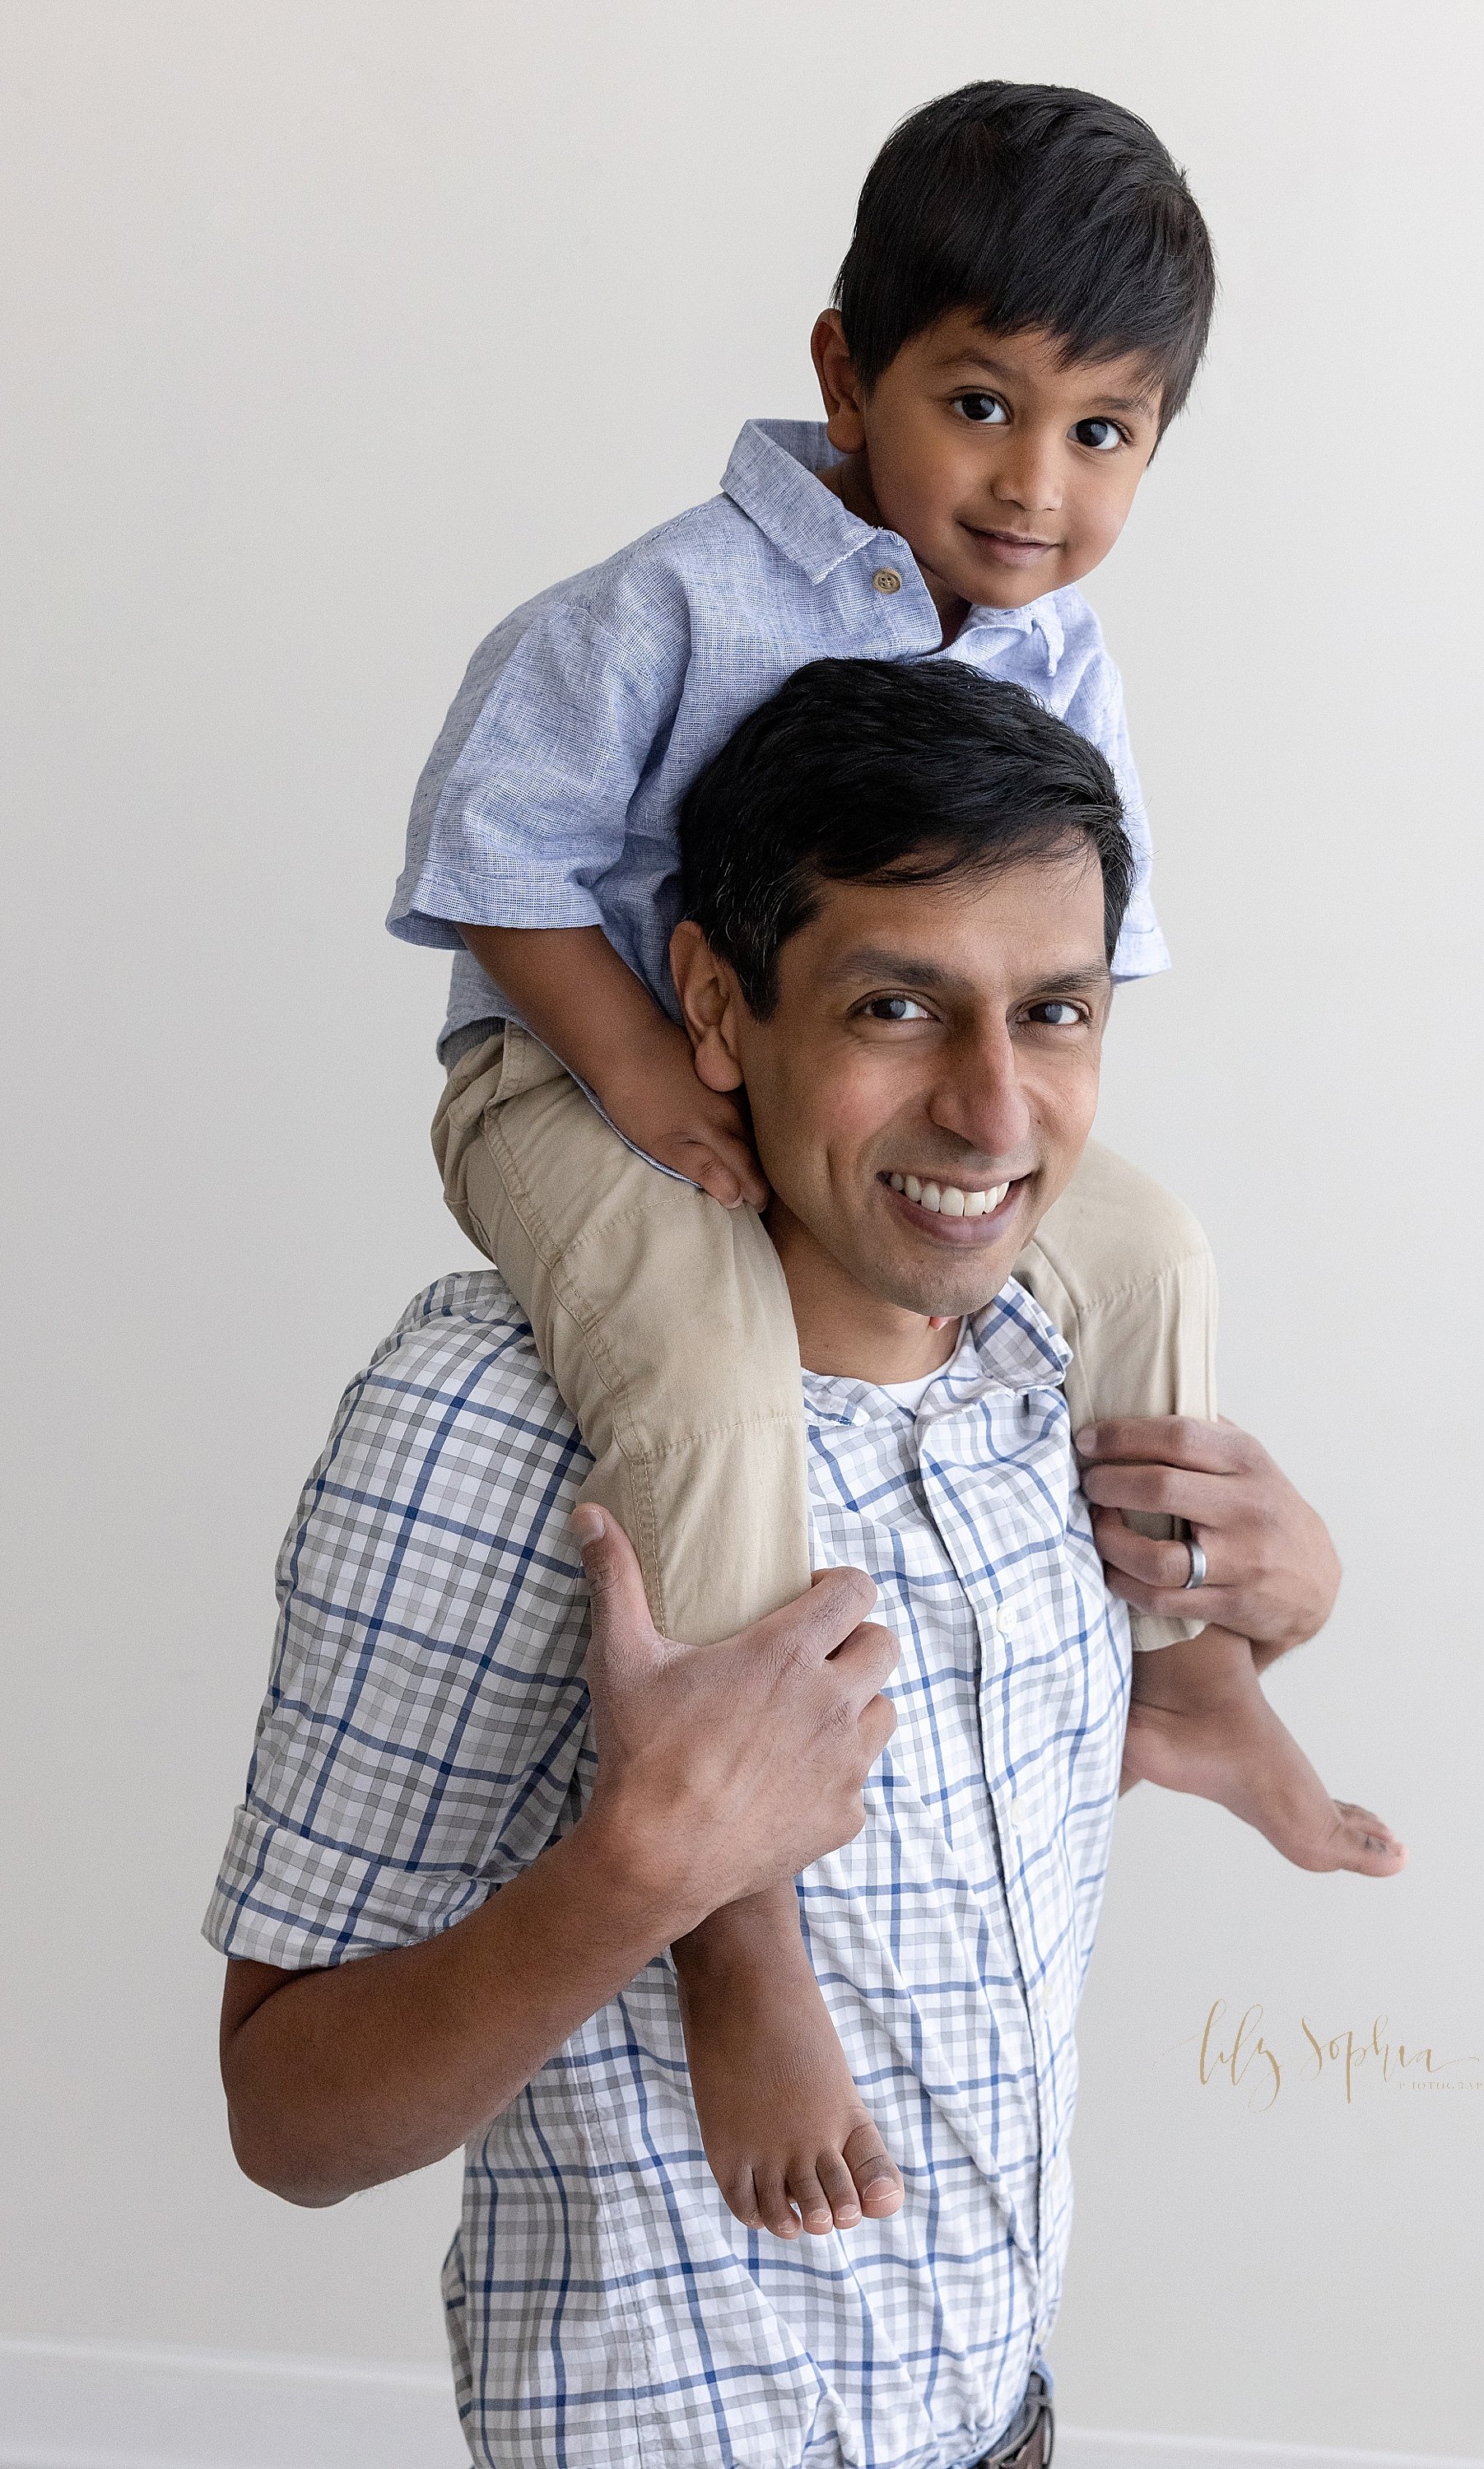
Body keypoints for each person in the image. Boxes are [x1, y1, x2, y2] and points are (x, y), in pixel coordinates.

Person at [215, 663, 1402, 2469]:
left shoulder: (1046, 1372)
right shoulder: (482, 1427)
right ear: (713, 1005)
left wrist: (1264, 1626)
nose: (996, 1113)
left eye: (1057, 1013)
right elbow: (288, 2127)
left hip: (1004, 2421)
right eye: (897, 1008)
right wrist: (638, 1878)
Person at [388, 78, 1347, 2243]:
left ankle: (1188, 1666)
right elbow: (489, 851)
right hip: (577, 1069)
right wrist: (642, 1067)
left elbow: (1080, 964)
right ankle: (738, 1919)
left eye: (1105, 434)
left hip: (867, 1106)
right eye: (983, 403)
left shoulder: (1056, 655)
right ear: (848, 371)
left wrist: (997, 1145)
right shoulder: (670, 603)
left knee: (1154, 1238)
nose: (1034, 484)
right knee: (711, 1362)